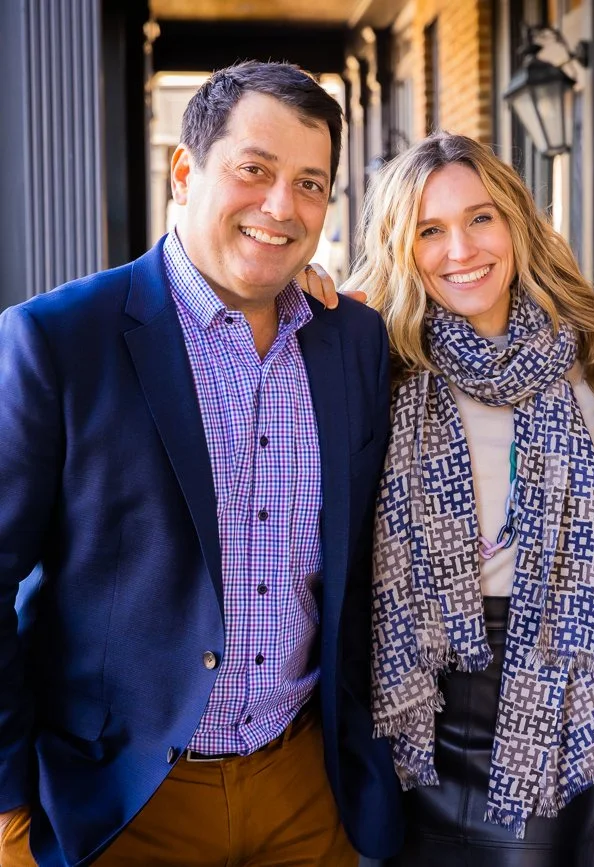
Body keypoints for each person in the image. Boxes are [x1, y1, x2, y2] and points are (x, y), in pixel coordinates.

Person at [0, 62, 402, 866]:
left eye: (310, 184)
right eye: (253, 170)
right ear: (185, 173)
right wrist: (9, 800)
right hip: (119, 800)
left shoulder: (352, 341)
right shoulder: (58, 340)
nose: (281, 207)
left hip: (304, 786)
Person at [341, 132, 594, 867]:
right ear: (403, 247)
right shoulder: (377, 359)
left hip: (543, 678)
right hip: (407, 688)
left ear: (516, 222)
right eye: (429, 230)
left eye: (480, 218)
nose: (459, 248)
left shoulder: (588, 358)